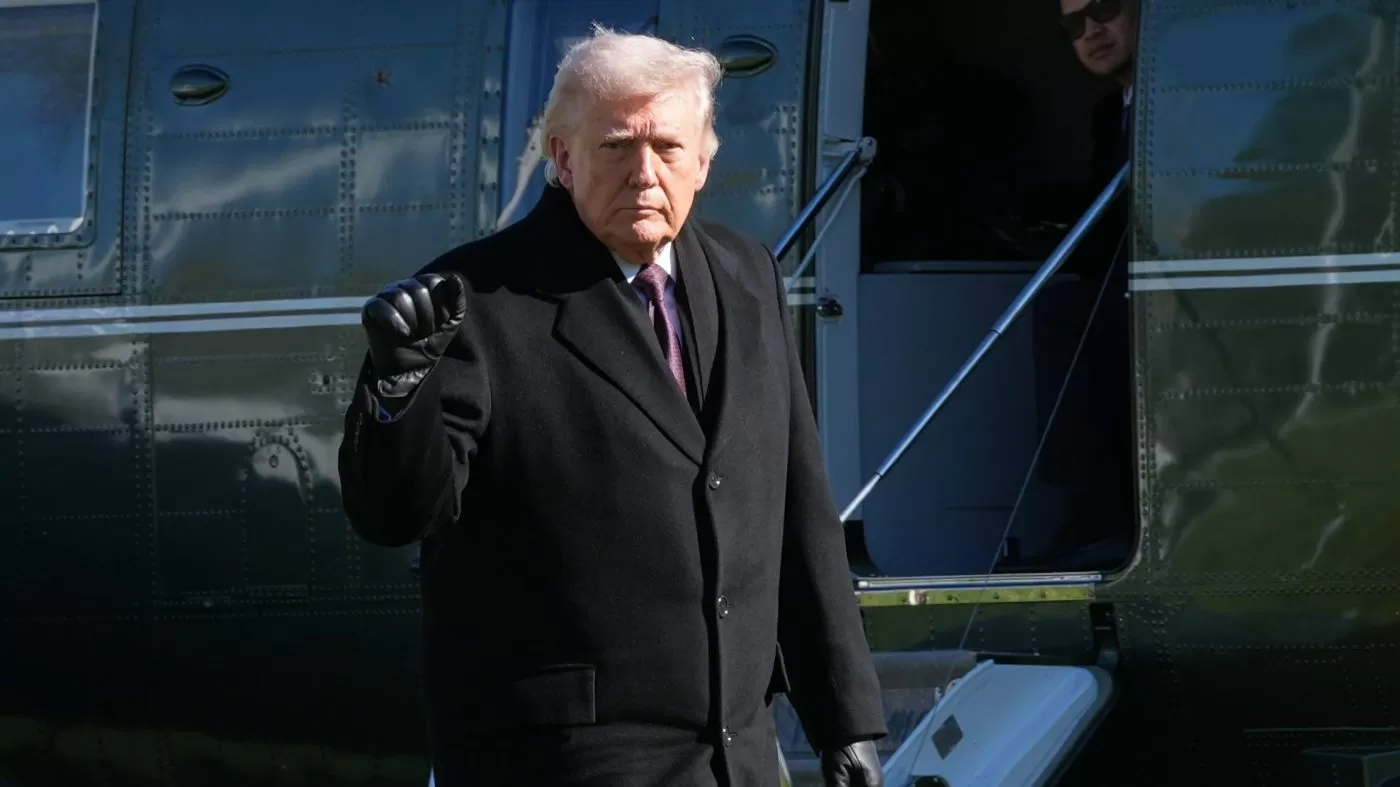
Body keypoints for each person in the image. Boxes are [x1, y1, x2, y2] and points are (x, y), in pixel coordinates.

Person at [337, 25, 887, 787]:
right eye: (617, 147)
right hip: (563, 763)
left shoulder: (747, 276)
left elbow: (797, 505)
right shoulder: (477, 302)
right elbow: (397, 513)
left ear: (704, 159)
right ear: (563, 159)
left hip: (736, 763)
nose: (645, 173)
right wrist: (399, 390)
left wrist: (844, 717)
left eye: (667, 147)